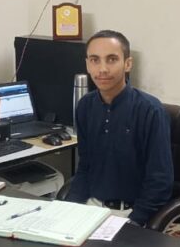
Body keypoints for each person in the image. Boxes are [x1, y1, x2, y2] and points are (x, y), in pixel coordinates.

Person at [64, 30, 173, 227]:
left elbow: (160, 181)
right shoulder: (85, 106)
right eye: (95, 60)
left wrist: (135, 221)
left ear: (127, 63)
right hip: (91, 207)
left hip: (130, 214)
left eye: (112, 59)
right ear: (87, 64)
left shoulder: (150, 110)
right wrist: (68, 208)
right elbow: (85, 167)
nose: (102, 69)